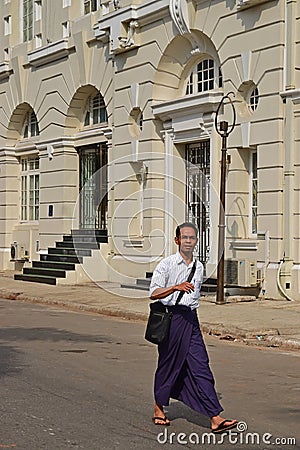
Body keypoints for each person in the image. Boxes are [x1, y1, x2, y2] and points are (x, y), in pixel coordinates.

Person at [149, 222, 238, 433]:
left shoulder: (199, 266)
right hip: (172, 320)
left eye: (192, 238)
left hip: (191, 320)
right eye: (185, 237)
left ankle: (215, 417)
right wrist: (174, 287)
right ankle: (158, 408)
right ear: (177, 240)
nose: (188, 241)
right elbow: (153, 293)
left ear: (196, 241)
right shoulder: (167, 265)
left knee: (201, 366)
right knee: (169, 365)